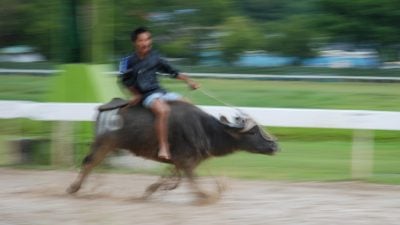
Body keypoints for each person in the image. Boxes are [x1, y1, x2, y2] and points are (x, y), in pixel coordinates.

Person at [119, 26, 199, 160]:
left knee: (189, 104)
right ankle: (163, 146)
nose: (146, 43)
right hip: (146, 95)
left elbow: (173, 72)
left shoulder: (155, 57)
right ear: (135, 43)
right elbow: (124, 81)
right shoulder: (127, 61)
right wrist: (136, 94)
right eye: (142, 40)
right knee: (163, 110)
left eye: (148, 39)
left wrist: (189, 81)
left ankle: (191, 140)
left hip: (160, 92)